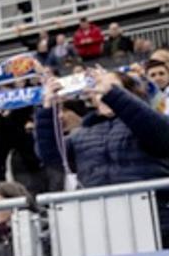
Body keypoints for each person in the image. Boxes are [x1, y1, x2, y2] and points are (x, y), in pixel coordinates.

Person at [35, 68, 169, 245]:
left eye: (110, 86)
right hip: (100, 222)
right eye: (98, 87)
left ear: (128, 93)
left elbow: (162, 137)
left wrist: (114, 95)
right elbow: (51, 156)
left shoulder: (148, 119)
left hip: (154, 218)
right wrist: (47, 110)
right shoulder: (80, 134)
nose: (102, 91)